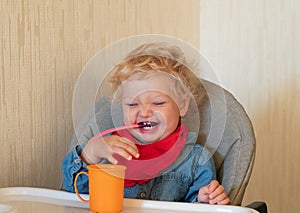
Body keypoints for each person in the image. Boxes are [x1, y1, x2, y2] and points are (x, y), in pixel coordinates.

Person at [62, 42, 230, 204]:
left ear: (182, 105)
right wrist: (90, 153)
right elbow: (73, 196)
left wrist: (205, 199)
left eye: (158, 103)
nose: (144, 112)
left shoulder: (196, 161)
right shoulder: (107, 148)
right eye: (132, 104)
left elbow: (200, 209)